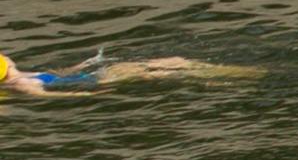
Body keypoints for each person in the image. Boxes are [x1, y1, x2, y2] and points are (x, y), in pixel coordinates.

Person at [4, 48, 225, 97]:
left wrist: (81, 65)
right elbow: (52, 94)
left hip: (96, 77)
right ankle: (211, 75)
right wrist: (85, 94)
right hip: (98, 79)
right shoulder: (21, 81)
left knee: (159, 66)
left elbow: (57, 76)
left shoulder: (20, 79)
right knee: (156, 68)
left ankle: (206, 75)